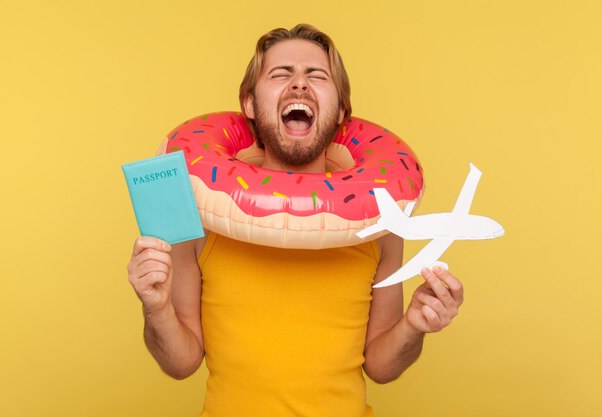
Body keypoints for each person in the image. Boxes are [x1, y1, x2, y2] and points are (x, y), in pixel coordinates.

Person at [127, 24, 464, 417]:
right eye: (281, 74)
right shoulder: (203, 216)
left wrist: (415, 325)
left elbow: (382, 366)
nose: (299, 85)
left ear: (339, 112)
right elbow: (180, 363)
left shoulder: (379, 223)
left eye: (316, 76)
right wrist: (155, 306)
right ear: (250, 105)